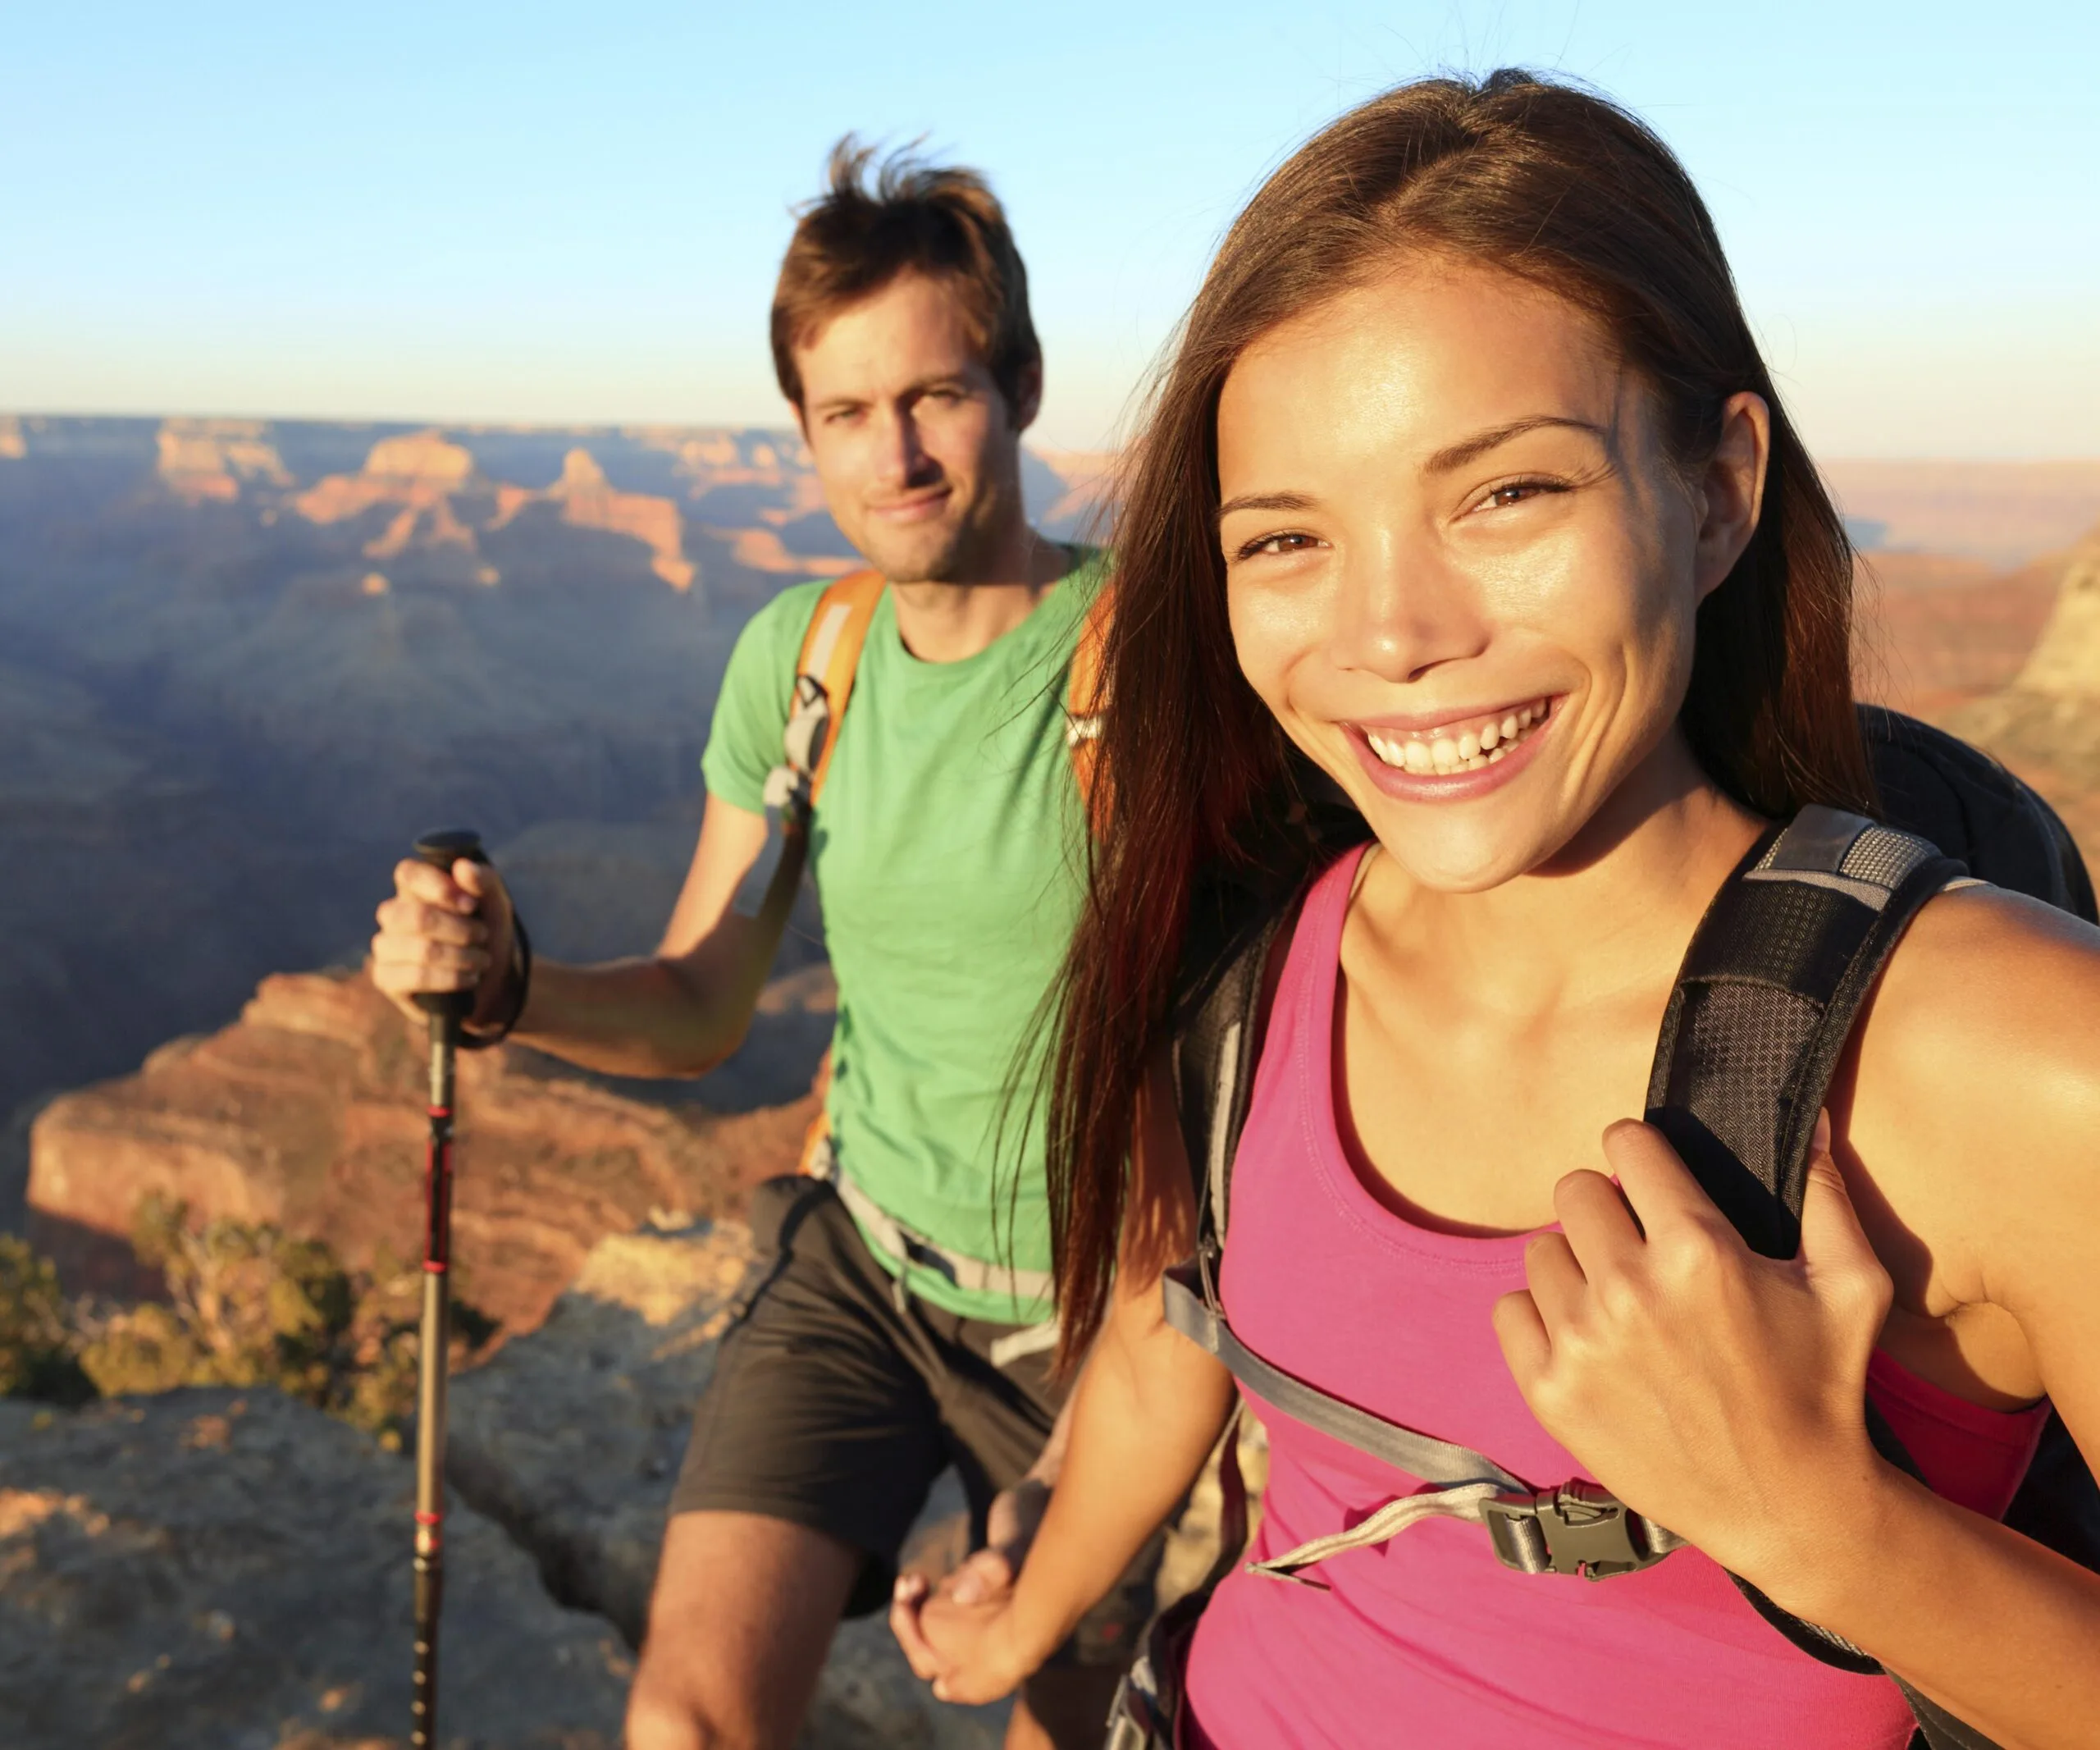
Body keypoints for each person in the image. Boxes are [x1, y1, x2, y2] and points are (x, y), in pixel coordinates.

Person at [888, 71, 2100, 1748]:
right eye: (1287, 538)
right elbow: (1183, 1334)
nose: (1388, 634)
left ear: (1713, 490)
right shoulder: (1251, 962)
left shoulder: (2002, 1053)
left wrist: (1835, 1534)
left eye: (1504, 495)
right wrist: (1016, 1613)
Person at [370, 140, 1153, 1750]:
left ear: (1017, 384)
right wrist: (509, 987)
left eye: (934, 395)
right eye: (846, 415)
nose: (898, 455)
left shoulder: (1148, 662)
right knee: (687, 1723)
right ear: (803, 434)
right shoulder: (805, 657)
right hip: (862, 1263)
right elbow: (701, 999)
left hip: (1095, 1319)